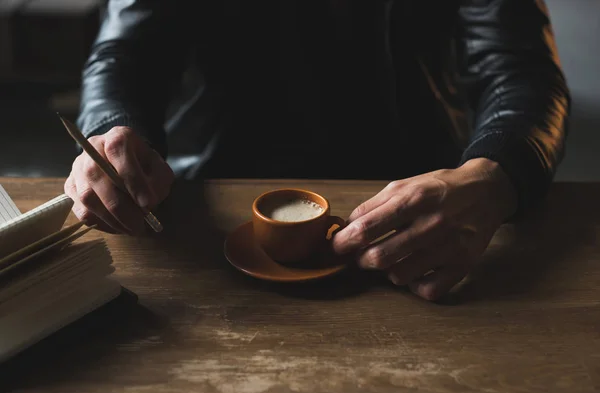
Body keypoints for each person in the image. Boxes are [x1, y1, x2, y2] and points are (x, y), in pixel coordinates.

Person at [64, 0, 570, 301]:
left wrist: (493, 178)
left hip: (422, 214)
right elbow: (124, 54)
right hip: (208, 211)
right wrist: (111, 133)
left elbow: (521, 69)